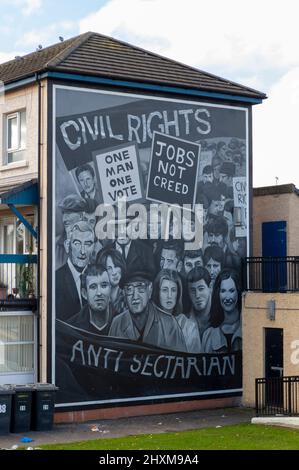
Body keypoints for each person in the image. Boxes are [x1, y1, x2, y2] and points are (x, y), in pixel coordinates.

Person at [108, 269, 186, 352]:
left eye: (140, 287)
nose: (135, 297)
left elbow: (181, 362)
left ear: (150, 290)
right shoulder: (117, 323)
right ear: (124, 294)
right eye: (129, 289)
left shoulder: (170, 324)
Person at [56, 221, 95, 321]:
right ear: (67, 245)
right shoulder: (56, 279)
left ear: (93, 247)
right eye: (77, 243)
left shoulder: (99, 276)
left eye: (88, 244)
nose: (82, 251)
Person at [202, 269, 242, 353]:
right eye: (223, 291)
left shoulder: (247, 330)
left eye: (231, 291)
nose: (227, 297)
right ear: (218, 294)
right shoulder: (208, 335)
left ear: (238, 292)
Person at [68, 263, 113, 335]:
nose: (99, 293)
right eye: (93, 287)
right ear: (84, 294)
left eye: (104, 286)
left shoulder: (122, 323)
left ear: (110, 289)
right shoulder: (71, 328)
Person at [56, 194, 97, 270]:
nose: (70, 230)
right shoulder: (57, 247)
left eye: (74, 223)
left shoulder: (95, 246)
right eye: (67, 224)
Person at [183, 266, 212, 352]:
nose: (197, 295)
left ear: (210, 287)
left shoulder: (221, 317)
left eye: (201, 289)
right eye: (192, 290)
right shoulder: (183, 322)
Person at [97, 247, 127, 316]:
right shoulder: (98, 296)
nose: (114, 272)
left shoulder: (127, 295)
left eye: (116, 266)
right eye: (109, 268)